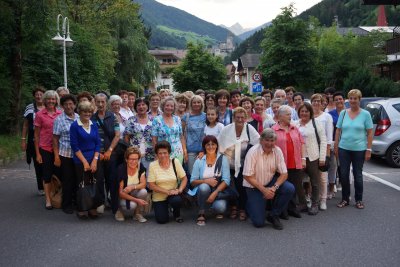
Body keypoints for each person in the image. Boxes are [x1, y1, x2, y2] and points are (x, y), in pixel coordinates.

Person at [243, 129, 295, 230]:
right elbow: (247, 176)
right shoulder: (253, 152)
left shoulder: (277, 151)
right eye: (266, 140)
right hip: (254, 186)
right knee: (259, 223)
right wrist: (264, 190)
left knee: (289, 188)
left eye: (272, 141)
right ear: (261, 140)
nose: (269, 143)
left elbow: (284, 174)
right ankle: (250, 205)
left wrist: (274, 188)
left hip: (270, 183)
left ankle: (274, 214)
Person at [218, 107, 260, 221]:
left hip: (243, 163)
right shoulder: (226, 129)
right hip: (227, 163)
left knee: (241, 187)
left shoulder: (249, 129)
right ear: (233, 118)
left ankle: (242, 208)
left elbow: (258, 143)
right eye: (237, 117)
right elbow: (219, 145)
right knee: (230, 187)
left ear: (246, 118)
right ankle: (233, 207)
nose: (240, 119)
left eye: (242, 117)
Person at [334, 89, 373, 209]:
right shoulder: (343, 113)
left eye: (355, 98)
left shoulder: (365, 114)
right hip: (343, 148)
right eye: (350, 98)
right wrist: (336, 146)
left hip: (359, 149)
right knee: (344, 175)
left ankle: (359, 199)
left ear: (359, 100)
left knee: (358, 175)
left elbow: (370, 132)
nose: (352, 101)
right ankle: (345, 199)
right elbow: (338, 130)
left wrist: (369, 149)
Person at [272, 106, 306, 218]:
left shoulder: (294, 128)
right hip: (281, 165)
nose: (290, 117)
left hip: (295, 163)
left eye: (290, 114)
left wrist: (303, 159)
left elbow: (302, 143)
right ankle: (282, 210)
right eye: (287, 114)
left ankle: (292, 208)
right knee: (283, 188)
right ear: (280, 116)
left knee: (295, 187)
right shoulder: (274, 129)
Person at [190, 136, 231, 226]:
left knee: (221, 208)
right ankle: (201, 211)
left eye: (213, 144)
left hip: (218, 191)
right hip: (203, 191)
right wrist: (206, 181)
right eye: (208, 144)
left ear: (217, 146)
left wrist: (215, 193)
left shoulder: (223, 159)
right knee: (204, 187)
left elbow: (226, 180)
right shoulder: (199, 160)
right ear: (204, 146)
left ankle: (211, 206)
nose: (210, 146)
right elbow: (192, 181)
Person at [294, 103, 327, 215]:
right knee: (298, 181)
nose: (304, 113)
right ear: (299, 112)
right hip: (299, 157)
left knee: (315, 181)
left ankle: (315, 204)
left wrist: (322, 158)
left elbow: (323, 140)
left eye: (306, 111)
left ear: (310, 112)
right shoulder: (295, 124)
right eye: (302, 111)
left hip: (313, 157)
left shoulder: (316, 123)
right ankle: (303, 203)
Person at [70, 101, 101, 219]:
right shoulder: (74, 126)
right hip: (80, 160)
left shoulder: (93, 124)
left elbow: (98, 143)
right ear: (79, 112)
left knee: (94, 183)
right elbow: (74, 146)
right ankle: (82, 209)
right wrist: (84, 162)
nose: (87, 114)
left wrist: (94, 160)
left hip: (94, 159)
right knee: (82, 185)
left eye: (89, 111)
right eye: (84, 112)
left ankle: (93, 208)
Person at [92, 93, 120, 215]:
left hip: (111, 153)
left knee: (112, 180)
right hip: (97, 154)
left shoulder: (112, 116)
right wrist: (99, 153)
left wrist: (109, 151)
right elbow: (91, 138)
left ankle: (114, 204)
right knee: (99, 179)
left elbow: (117, 135)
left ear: (106, 103)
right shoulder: (91, 118)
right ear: (95, 103)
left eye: (102, 102)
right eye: (98, 102)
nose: (100, 104)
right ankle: (100, 202)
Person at [34, 90, 62, 209]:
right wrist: (37, 154)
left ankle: (59, 196)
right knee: (47, 174)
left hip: (60, 148)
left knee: (60, 173)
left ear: (56, 101)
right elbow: (36, 135)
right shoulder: (40, 114)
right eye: (49, 99)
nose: (51, 101)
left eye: (53, 99)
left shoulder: (60, 114)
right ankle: (48, 200)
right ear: (45, 100)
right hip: (45, 148)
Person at [148, 141, 188, 224]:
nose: (162, 155)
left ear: (169, 152)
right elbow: (151, 185)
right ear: (157, 154)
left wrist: (179, 190)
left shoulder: (175, 162)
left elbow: (184, 179)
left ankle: (176, 213)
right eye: (160, 153)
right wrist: (167, 192)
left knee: (176, 200)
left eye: (165, 153)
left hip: (174, 194)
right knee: (162, 220)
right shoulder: (152, 165)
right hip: (159, 196)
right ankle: (165, 208)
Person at [53, 94, 79, 214]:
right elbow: (55, 139)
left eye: (71, 104)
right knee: (67, 180)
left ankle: (77, 202)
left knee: (78, 179)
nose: (69, 106)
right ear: (62, 106)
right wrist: (56, 156)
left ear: (75, 105)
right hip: (66, 154)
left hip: (79, 155)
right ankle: (67, 204)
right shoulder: (59, 120)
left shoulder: (79, 117)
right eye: (66, 104)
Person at [21, 86, 45, 195]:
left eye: (41, 94)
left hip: (47, 139)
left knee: (48, 162)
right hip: (33, 139)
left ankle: (50, 184)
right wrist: (23, 140)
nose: (39, 96)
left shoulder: (49, 107)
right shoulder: (29, 107)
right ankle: (41, 187)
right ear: (34, 96)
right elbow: (25, 125)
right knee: (37, 162)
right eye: (37, 94)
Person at [311, 93, 333, 210]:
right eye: (314, 101)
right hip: (310, 149)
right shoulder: (308, 116)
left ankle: (323, 199)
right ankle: (313, 198)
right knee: (312, 177)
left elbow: (329, 138)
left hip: (323, 149)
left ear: (322, 103)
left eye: (318, 101)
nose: (316, 103)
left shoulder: (327, 117)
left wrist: (327, 155)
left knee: (323, 177)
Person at [116, 147, 148, 222]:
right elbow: (120, 193)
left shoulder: (140, 167)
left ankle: (137, 214)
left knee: (144, 191)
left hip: (132, 191)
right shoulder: (121, 169)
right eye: (131, 159)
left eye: (136, 159)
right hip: (120, 195)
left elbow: (143, 184)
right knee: (132, 205)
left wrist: (132, 187)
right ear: (126, 159)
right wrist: (137, 200)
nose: (134, 161)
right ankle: (119, 211)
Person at [152, 97, 187, 164]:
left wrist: (184, 150)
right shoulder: (157, 120)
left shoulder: (177, 119)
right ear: (163, 106)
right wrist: (156, 154)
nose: (169, 108)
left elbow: (181, 137)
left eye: (172, 106)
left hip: (178, 152)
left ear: (174, 108)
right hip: (163, 153)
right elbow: (154, 139)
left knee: (177, 173)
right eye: (167, 105)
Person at [124, 98, 155, 171]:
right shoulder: (131, 120)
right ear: (135, 107)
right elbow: (126, 137)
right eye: (139, 105)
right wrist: (129, 150)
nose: (141, 107)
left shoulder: (154, 120)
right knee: (135, 177)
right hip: (134, 154)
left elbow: (156, 137)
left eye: (143, 104)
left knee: (149, 178)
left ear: (147, 106)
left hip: (150, 154)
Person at [328, 91, 346, 198]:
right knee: (333, 165)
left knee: (344, 166)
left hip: (347, 143)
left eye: (340, 99)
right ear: (333, 101)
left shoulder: (349, 113)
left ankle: (343, 186)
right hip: (335, 143)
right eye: (336, 99)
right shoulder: (330, 114)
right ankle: (332, 184)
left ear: (344, 100)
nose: (339, 101)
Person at [182, 95, 206, 174]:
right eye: (194, 102)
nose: (196, 104)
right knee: (192, 173)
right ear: (191, 104)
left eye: (198, 102)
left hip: (203, 150)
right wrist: (185, 150)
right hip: (190, 150)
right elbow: (181, 134)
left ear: (202, 104)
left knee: (202, 173)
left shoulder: (205, 116)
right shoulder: (186, 116)